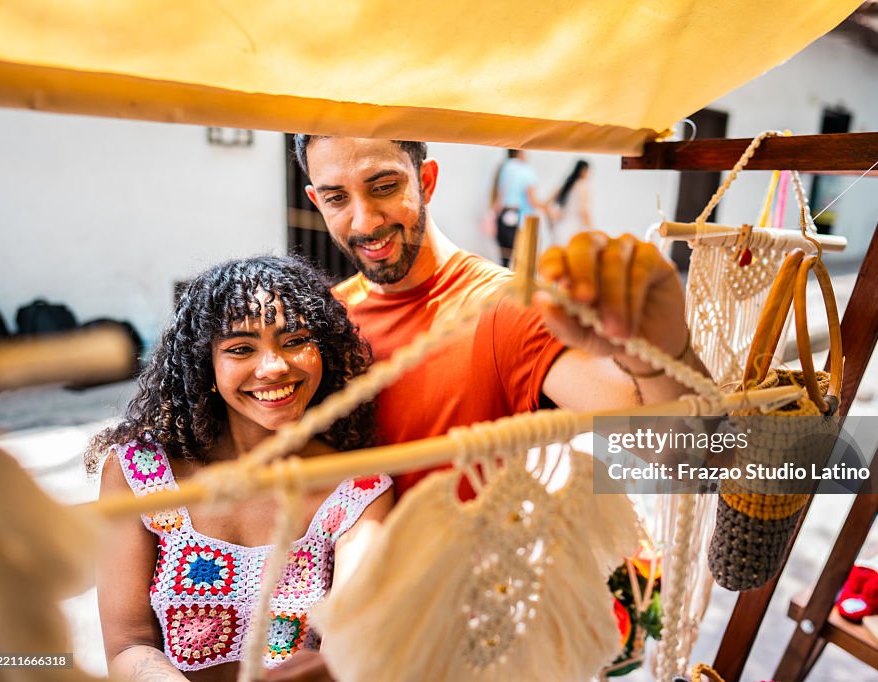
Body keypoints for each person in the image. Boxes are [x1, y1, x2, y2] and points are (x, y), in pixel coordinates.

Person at [292, 136, 700, 497]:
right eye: (337, 198)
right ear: (317, 201)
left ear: (427, 181)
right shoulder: (324, 318)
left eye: (384, 187)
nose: (365, 221)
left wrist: (659, 343)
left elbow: (690, 459)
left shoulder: (507, 307)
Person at [87, 255, 392, 681]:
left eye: (295, 340)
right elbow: (127, 642)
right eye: (241, 349)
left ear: (324, 351)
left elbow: (347, 637)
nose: (274, 367)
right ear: (205, 365)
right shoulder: (141, 473)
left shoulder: (358, 488)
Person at [492, 149, 545, 265]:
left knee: (505, 258)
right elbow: (532, 200)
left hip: (503, 215)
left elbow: (499, 195)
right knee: (520, 259)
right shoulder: (526, 170)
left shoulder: (504, 168)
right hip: (519, 217)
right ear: (520, 152)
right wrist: (547, 209)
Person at [548, 159, 593, 247]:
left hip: (560, 229)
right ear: (584, 171)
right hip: (575, 230)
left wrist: (551, 221)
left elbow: (546, 204)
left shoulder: (566, 185)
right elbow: (583, 211)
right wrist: (591, 230)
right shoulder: (583, 186)